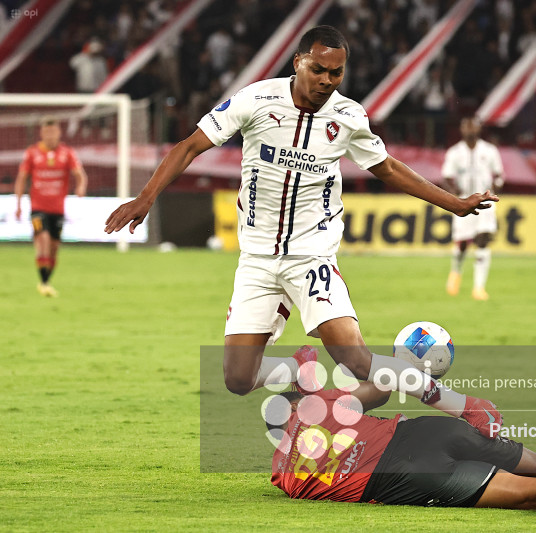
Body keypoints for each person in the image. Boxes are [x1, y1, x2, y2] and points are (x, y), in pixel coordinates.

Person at [104, 26, 501, 436]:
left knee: (358, 363)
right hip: (257, 259)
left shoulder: (348, 117)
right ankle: (299, 368)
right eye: (319, 70)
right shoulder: (255, 100)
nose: (327, 81)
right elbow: (189, 146)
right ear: (298, 63)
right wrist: (146, 197)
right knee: (238, 379)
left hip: (311, 257)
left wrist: (453, 203)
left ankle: (464, 406)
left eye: (337, 73)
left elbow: (388, 169)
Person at [267, 381, 536, 509]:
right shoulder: (321, 405)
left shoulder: (281, 474)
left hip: (407, 475)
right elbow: (391, 380)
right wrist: (464, 406)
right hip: (426, 431)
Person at [15, 117, 88, 297]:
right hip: (37, 208)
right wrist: (18, 203)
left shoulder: (67, 153)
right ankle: (45, 282)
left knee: (54, 248)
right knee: (43, 240)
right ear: (41, 133)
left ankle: (45, 281)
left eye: (53, 132)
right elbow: (21, 178)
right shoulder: (32, 153)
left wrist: (81, 186)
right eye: (46, 132)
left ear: (59, 133)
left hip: (57, 209)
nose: (50, 136)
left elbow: (80, 175)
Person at [442, 117, 504, 301]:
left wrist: (496, 187)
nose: (469, 130)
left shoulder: (489, 151)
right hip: (463, 201)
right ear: (461, 129)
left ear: (479, 129)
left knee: (483, 239)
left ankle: (479, 288)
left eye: (473, 126)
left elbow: (499, 174)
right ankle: (456, 272)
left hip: (485, 201)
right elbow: (446, 177)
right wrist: (455, 194)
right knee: (462, 244)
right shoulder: (454, 152)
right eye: (466, 126)